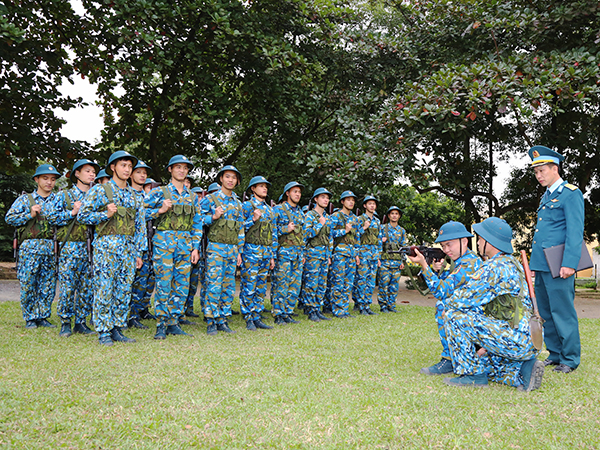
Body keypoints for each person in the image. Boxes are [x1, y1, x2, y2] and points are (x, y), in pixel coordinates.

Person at [443, 217, 544, 392]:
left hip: (515, 338)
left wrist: (447, 304)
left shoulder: (494, 268)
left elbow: (462, 299)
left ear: (489, 242)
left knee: (453, 315)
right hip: (527, 339)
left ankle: (471, 374)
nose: (479, 242)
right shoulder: (513, 263)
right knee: (482, 362)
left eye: (481, 239)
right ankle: (522, 372)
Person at [78, 151, 146, 346]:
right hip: (106, 250)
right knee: (104, 289)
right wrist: (104, 215)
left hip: (128, 250)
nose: (127, 169)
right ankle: (104, 331)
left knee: (123, 290)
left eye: (129, 166)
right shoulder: (101, 191)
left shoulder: (135, 195)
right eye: (123, 165)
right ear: (113, 168)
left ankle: (117, 327)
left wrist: (139, 253)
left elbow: (140, 226)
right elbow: (82, 216)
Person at [528, 145, 585, 373]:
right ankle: (555, 354)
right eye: (536, 172)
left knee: (562, 311)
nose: (538, 176)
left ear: (555, 168)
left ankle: (570, 359)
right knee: (546, 312)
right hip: (542, 264)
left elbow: (574, 230)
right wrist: (534, 265)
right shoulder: (546, 196)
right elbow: (542, 233)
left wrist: (570, 263)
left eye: (542, 171)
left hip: (559, 262)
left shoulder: (570, 194)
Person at [408, 221, 481, 375]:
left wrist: (424, 265)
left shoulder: (469, 264)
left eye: (450, 245)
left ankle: (450, 359)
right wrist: (435, 271)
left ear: (464, 241)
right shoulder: (462, 261)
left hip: (477, 316)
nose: (446, 250)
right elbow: (446, 283)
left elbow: (441, 291)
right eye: (443, 246)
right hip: (472, 314)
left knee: (442, 306)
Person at [144, 155, 202, 339]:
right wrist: (159, 211)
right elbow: (141, 213)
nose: (182, 171)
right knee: (164, 283)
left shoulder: (192, 197)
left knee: (181, 285)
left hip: (185, 245)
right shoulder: (158, 192)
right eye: (178, 167)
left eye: (185, 168)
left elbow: (197, 223)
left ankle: (173, 322)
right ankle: (161, 323)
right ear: (170, 169)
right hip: (164, 244)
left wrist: (195, 247)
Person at [45, 159, 99, 337]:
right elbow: (50, 217)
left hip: (91, 247)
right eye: (87, 171)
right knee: (68, 286)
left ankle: (82, 322)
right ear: (77, 173)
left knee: (87, 287)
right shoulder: (64, 196)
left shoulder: (97, 195)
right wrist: (72, 212)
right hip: (70, 247)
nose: (91, 174)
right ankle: (66, 322)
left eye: (93, 172)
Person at [6, 163, 61, 329]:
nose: (49, 182)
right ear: (37, 179)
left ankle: (43, 316)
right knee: (29, 283)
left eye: (52, 179)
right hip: (30, 248)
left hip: (50, 247)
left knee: (48, 284)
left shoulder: (57, 200)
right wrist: (28, 214)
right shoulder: (25, 200)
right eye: (45, 178)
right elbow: (9, 218)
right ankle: (30, 317)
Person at [200, 166, 245, 335]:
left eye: (234, 178)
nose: (230, 180)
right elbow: (199, 220)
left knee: (228, 286)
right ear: (221, 179)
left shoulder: (238, 204)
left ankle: (223, 319)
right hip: (216, 248)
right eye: (227, 177)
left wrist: (240, 251)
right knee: (214, 285)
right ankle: (211, 320)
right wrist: (213, 217)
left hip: (232, 250)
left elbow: (240, 228)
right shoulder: (210, 199)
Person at [239, 176, 277, 330]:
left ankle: (257, 316)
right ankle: (248, 316)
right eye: (260, 186)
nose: (264, 189)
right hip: (251, 251)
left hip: (266, 252)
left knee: (261, 286)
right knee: (249, 284)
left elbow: (273, 233)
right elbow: (239, 228)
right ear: (253, 189)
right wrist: (252, 219)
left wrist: (272, 255)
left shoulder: (269, 209)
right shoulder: (247, 206)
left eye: (265, 186)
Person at [272, 182, 306, 325]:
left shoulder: (300, 212)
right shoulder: (278, 210)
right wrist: (285, 229)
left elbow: (302, 235)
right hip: (284, 253)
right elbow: (272, 233)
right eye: (294, 191)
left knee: (294, 285)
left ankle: (288, 312)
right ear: (287, 193)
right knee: (282, 284)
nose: (297, 194)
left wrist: (303, 253)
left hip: (297, 254)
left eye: (299, 192)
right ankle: (278, 314)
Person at [301, 188, 334, 322]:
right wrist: (319, 225)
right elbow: (306, 234)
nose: (325, 200)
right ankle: (310, 310)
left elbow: (329, 237)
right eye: (322, 197)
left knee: (322, 284)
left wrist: (329, 255)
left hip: (324, 255)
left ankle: (317, 308)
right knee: (312, 283)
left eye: (327, 198)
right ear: (315, 199)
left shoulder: (328, 217)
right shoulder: (309, 216)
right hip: (313, 254)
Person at [128, 160, 154, 330]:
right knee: (131, 282)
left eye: (145, 173)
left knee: (145, 281)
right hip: (130, 245)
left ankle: (141, 310)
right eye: (139, 172)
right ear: (131, 175)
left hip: (148, 244)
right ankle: (130, 315)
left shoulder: (148, 196)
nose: (143, 175)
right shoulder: (127, 194)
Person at [329, 191, 362, 318]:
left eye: (352, 200)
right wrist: (344, 230)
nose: (351, 202)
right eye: (348, 200)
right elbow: (330, 234)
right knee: (338, 282)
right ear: (342, 202)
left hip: (352, 254)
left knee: (348, 283)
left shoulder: (355, 219)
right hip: (339, 254)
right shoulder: (336, 216)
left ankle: (344, 309)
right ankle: (337, 310)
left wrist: (357, 254)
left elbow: (357, 236)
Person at [353, 195, 382, 315]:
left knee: (371, 281)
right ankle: (360, 305)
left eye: (374, 204)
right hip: (363, 253)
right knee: (362, 280)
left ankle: (367, 305)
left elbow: (379, 239)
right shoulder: (359, 219)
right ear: (365, 206)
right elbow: (354, 237)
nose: (372, 206)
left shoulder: (377, 221)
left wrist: (379, 256)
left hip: (374, 254)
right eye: (370, 204)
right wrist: (364, 227)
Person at [377, 206, 406, 313]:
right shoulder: (382, 228)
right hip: (385, 262)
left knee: (394, 286)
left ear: (399, 216)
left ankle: (391, 305)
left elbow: (403, 246)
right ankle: (383, 306)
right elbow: (377, 244)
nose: (394, 215)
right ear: (389, 215)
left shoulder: (402, 231)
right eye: (392, 213)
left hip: (397, 262)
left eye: (396, 214)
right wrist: (378, 258)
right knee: (383, 285)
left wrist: (403, 261)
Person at [183, 186, 206, 318]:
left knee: (190, 284)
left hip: (194, 248)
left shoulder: (194, 203)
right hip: (172, 246)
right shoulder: (162, 194)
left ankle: (188, 308)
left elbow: (199, 223)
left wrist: (195, 248)